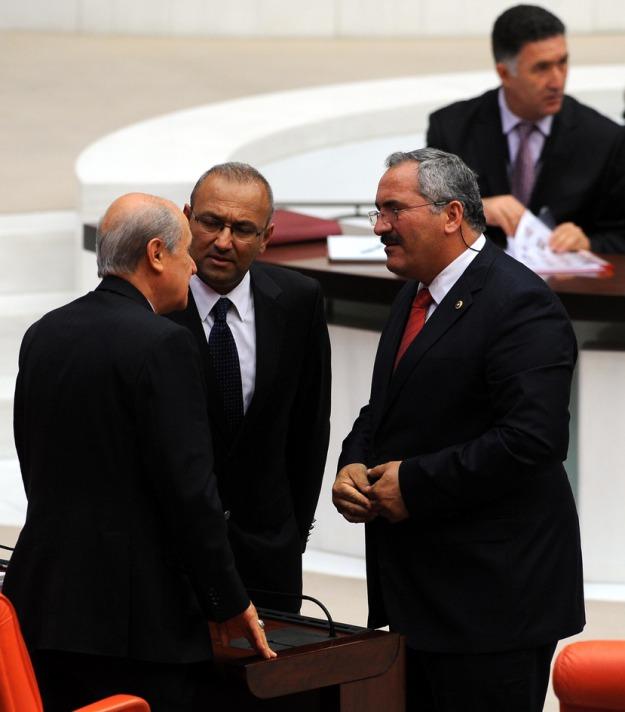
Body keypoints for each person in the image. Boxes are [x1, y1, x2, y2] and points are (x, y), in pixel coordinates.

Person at [332, 148, 584, 712]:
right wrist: (354, 461)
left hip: (493, 606)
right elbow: (388, 404)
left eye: (394, 210)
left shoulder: (521, 304)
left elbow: (534, 441)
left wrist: (413, 484)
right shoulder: (414, 292)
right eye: (377, 211)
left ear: (451, 215)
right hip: (420, 598)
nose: (380, 227)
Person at [4, 193, 275, 712]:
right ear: (155, 253)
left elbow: (35, 464)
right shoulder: (163, 344)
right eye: (185, 253)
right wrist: (229, 600)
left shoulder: (43, 333)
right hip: (137, 626)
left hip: (44, 607)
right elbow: (189, 493)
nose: (193, 265)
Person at [167, 162, 331, 613]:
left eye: (242, 229)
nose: (223, 241)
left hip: (269, 561)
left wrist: (291, 535)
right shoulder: (154, 307)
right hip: (172, 563)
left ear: (266, 237)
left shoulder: (298, 300)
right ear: (186, 218)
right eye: (210, 222)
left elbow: (309, 428)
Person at [427, 4, 625, 253]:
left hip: (564, 277)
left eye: (562, 63)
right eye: (541, 68)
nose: (557, 81)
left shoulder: (604, 138)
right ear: (504, 73)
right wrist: (475, 208)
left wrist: (587, 243)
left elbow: (620, 236)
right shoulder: (451, 129)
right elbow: (424, 216)